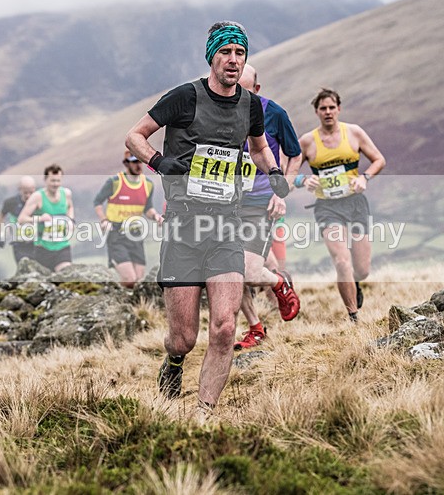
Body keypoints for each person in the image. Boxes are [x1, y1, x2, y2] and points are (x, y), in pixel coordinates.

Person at [126, 21, 291, 414]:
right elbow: (134, 136)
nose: (234, 60)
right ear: (212, 56)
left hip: (226, 226)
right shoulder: (185, 97)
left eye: (240, 53)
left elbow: (257, 148)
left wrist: (275, 173)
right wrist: (159, 161)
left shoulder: (250, 105)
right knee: (183, 337)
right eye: (226, 52)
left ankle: (203, 414)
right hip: (183, 227)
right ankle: (175, 361)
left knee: (225, 327)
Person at [294, 88, 386, 322]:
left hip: (355, 203)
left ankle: (355, 283)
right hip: (327, 207)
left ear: (339, 109)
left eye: (331, 107)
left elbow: (379, 160)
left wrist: (364, 178)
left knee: (362, 268)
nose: (328, 112)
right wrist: (303, 179)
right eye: (323, 108)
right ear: (316, 112)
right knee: (342, 261)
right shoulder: (307, 141)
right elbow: (287, 174)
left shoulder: (354, 133)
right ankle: (353, 315)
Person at [234, 64, 303, 350]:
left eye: (245, 91)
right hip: (226, 203)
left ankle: (279, 285)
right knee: (225, 269)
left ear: (257, 90)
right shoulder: (219, 112)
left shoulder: (274, 113)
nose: (238, 97)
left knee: (249, 271)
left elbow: (295, 155)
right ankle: (255, 327)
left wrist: (281, 192)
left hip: (260, 202)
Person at [93, 149, 162, 288]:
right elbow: (97, 202)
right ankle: (114, 298)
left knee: (139, 279)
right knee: (130, 279)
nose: (138, 165)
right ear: (126, 164)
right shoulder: (114, 182)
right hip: (116, 234)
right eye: (134, 162)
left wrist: (156, 216)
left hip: (136, 234)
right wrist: (104, 220)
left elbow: (147, 208)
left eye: (140, 162)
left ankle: (131, 306)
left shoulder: (148, 184)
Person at [18, 164, 74, 272]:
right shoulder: (37, 197)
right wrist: (40, 219)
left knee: (64, 275)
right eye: (52, 181)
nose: (56, 184)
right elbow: (22, 219)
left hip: (62, 245)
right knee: (47, 282)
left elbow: (70, 207)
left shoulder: (66, 194)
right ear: (45, 180)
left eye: (58, 181)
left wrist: (71, 220)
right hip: (43, 247)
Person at [0, 176, 37, 269]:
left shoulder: (40, 201)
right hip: (19, 244)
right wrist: (0, 235)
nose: (28, 196)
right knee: (24, 268)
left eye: (31, 192)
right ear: (19, 190)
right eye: (25, 192)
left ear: (34, 189)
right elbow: (1, 216)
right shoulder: (10, 203)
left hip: (37, 244)